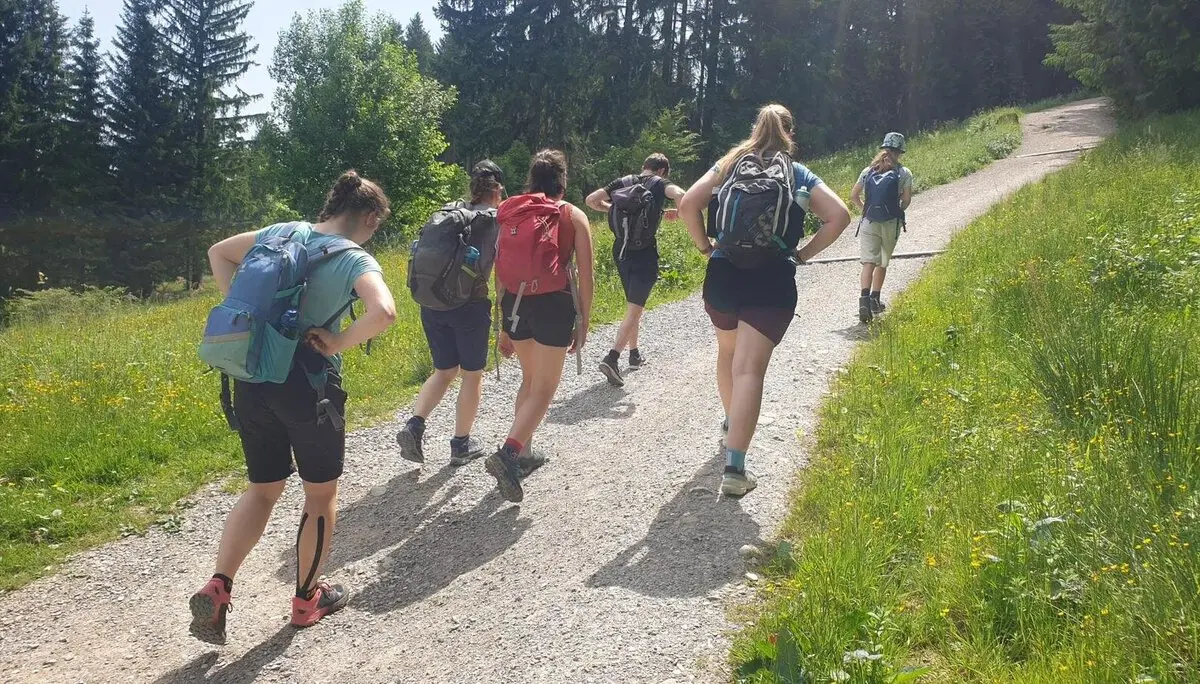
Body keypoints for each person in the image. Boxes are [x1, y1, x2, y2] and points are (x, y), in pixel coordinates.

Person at [189, 171, 397, 643]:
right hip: (306, 383)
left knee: (262, 488)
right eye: (375, 226)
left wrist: (252, 322)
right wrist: (339, 339)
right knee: (319, 495)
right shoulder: (352, 257)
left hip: (251, 375)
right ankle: (307, 599)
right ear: (367, 217)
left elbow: (218, 252)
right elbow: (384, 312)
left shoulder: (280, 232)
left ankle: (218, 587)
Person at [679, 104, 851, 497]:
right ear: (790, 133)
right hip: (771, 276)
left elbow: (688, 203)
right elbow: (839, 216)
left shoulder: (729, 164)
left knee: (727, 354)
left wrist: (706, 246)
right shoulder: (798, 172)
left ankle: (730, 420)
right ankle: (735, 469)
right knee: (750, 369)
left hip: (723, 272)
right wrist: (803, 254)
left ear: (755, 128)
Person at [485, 149, 595, 503]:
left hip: (515, 303)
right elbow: (586, 277)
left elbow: (500, 272)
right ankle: (510, 453)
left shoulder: (513, 212)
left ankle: (526, 454)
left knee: (530, 381)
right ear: (563, 178)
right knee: (545, 390)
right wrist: (584, 319)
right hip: (553, 304)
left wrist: (503, 325)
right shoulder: (571, 215)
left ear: (531, 178)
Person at [397, 160, 504, 466]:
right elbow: (499, 266)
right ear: (496, 189)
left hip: (432, 303)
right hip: (469, 307)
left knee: (444, 371)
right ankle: (461, 444)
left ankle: (414, 426)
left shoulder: (450, 211)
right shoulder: (492, 219)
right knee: (472, 376)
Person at [585, 153, 685, 387]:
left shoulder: (624, 181)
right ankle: (612, 357)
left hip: (620, 251)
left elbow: (591, 200)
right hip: (644, 254)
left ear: (644, 167)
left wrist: (614, 209)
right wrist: (679, 213)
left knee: (633, 305)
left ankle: (634, 354)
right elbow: (680, 194)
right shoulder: (660, 184)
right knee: (635, 308)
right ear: (662, 171)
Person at [850, 132, 913, 323]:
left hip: (869, 221)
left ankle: (863, 301)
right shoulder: (904, 173)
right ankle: (875, 299)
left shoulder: (867, 171)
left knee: (868, 261)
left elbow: (853, 196)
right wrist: (897, 211)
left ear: (884, 148)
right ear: (900, 151)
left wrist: (865, 210)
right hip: (890, 222)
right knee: (883, 260)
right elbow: (906, 200)